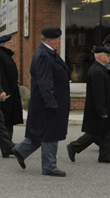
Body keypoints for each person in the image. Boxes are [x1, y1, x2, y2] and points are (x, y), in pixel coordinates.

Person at [13, 27, 70, 177]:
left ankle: (21, 150)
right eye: (57, 39)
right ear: (51, 40)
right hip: (48, 103)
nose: (59, 42)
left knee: (42, 131)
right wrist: (51, 102)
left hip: (50, 101)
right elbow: (45, 81)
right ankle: (50, 167)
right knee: (50, 134)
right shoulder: (44, 55)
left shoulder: (48, 53)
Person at [66, 45, 110, 165]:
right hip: (99, 108)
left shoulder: (102, 69)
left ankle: (105, 156)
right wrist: (102, 110)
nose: (109, 58)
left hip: (106, 106)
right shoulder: (97, 71)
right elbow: (98, 93)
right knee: (95, 132)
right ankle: (74, 146)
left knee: (107, 131)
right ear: (100, 57)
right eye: (107, 55)